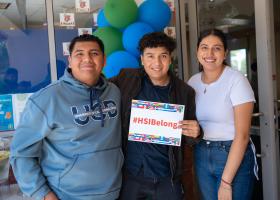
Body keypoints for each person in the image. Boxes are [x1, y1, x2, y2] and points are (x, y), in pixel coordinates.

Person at [10, 34, 123, 200]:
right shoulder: (46, 99)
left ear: (104, 60)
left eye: (94, 53)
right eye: (79, 54)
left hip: (114, 193)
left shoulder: (115, 92)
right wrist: (43, 194)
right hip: (67, 195)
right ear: (70, 60)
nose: (87, 59)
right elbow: (21, 154)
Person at [110, 32, 201, 200]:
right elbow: (99, 87)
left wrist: (196, 133)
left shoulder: (184, 91)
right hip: (131, 175)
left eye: (163, 56)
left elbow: (190, 138)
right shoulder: (127, 79)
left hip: (167, 177)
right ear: (142, 59)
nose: (157, 63)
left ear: (170, 59)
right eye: (150, 56)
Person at [188, 29, 256, 200]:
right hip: (201, 152)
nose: (209, 53)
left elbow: (242, 135)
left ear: (225, 53)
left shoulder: (237, 80)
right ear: (197, 51)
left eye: (216, 48)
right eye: (204, 47)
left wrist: (226, 183)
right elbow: (190, 122)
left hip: (231, 154)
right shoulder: (192, 82)